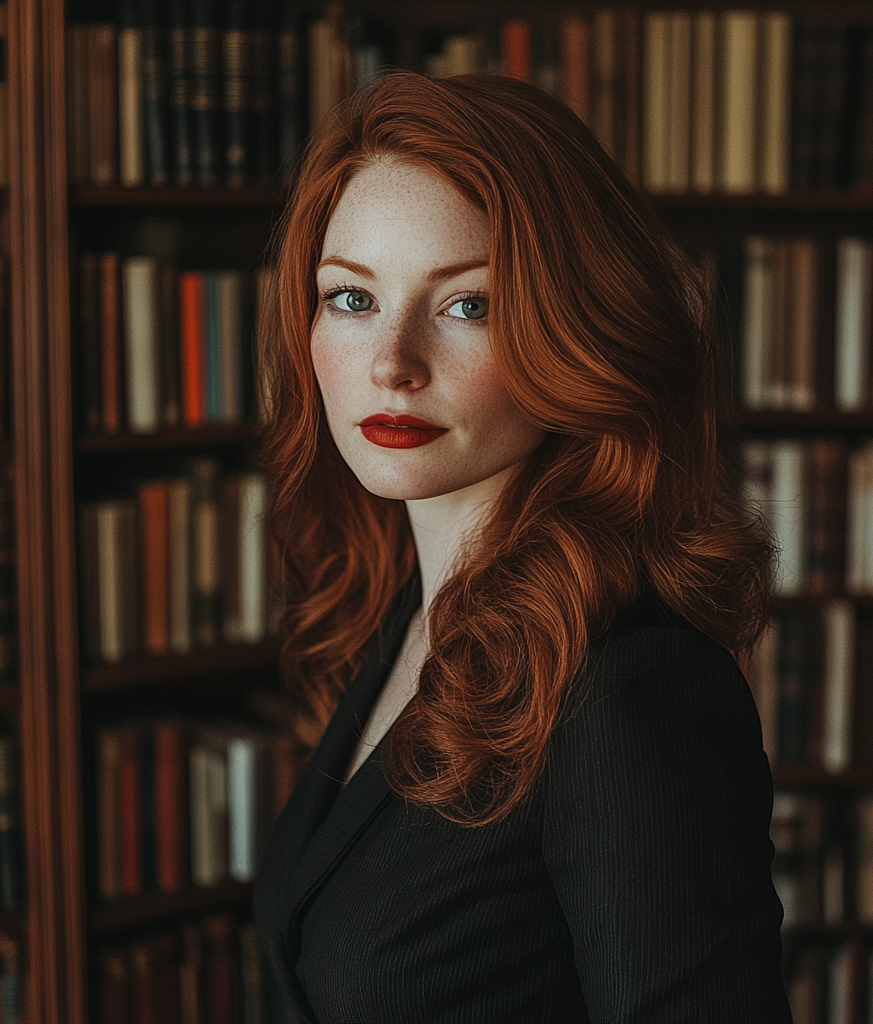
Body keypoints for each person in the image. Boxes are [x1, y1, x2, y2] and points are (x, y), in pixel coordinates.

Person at [254, 70, 792, 1024]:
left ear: (575, 332)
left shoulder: (631, 687)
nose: (392, 363)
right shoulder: (399, 619)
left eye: (468, 305)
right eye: (350, 299)